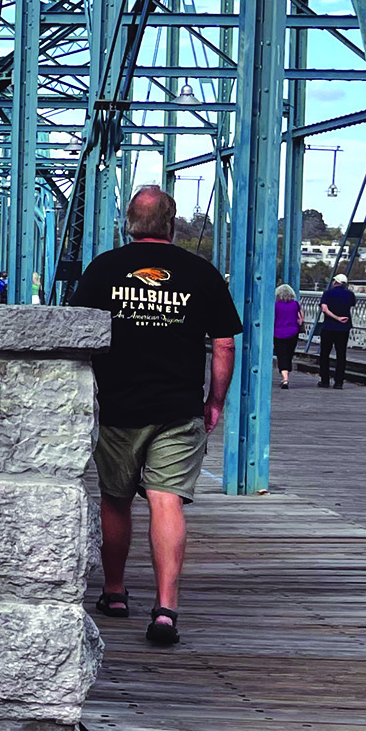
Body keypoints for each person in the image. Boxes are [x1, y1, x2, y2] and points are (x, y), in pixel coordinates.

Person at [74, 185, 244, 649]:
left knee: (114, 499)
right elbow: (225, 344)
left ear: (129, 223)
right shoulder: (203, 273)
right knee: (165, 501)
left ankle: (113, 594)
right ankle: (166, 609)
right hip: (177, 408)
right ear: (171, 224)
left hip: (116, 407)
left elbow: (74, 334)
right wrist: (215, 401)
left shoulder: (103, 270)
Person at [316, 272, 357, 388]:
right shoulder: (350, 294)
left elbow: (324, 309)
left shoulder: (328, 293)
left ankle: (325, 380)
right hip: (344, 328)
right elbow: (352, 304)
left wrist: (336, 318)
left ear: (336, 282)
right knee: (341, 354)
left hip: (329, 326)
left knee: (325, 354)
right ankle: (339, 382)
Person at [271, 282, 302, 387]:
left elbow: (272, 319)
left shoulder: (275, 305)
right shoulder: (296, 304)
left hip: (278, 332)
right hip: (293, 332)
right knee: (289, 354)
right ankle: (287, 372)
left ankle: (285, 379)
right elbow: (301, 319)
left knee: (281, 355)